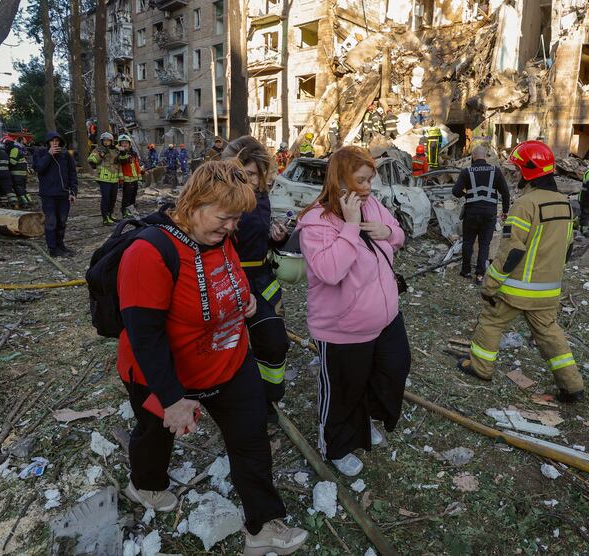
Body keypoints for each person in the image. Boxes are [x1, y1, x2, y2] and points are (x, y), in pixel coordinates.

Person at [117, 160, 308, 555]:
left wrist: (246, 301)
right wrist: (171, 399)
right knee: (155, 438)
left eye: (237, 219)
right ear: (194, 204)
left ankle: (263, 527)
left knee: (251, 439)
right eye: (225, 217)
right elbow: (144, 337)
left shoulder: (221, 238)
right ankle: (146, 487)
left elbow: (226, 281)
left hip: (228, 362)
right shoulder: (149, 252)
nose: (232, 227)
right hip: (163, 372)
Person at [297, 146, 411, 477]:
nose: (367, 187)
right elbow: (331, 271)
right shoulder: (315, 221)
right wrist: (349, 226)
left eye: (369, 180)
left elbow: (399, 234)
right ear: (341, 179)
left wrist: (389, 232)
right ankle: (336, 445)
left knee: (394, 368)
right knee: (344, 389)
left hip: (386, 317)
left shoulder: (372, 205)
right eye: (360, 180)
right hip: (343, 328)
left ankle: (367, 418)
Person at [465, 140, 584, 402]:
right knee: (550, 335)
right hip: (548, 291)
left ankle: (480, 368)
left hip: (516, 290)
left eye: (518, 169)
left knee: (491, 322)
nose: (516, 174)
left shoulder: (525, 204)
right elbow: (567, 248)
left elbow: (512, 251)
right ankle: (572, 385)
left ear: (529, 172)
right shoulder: (564, 205)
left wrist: (490, 284)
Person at [223, 136, 290, 424]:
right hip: (228, 282)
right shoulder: (219, 199)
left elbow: (257, 238)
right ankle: (236, 402)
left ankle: (269, 399)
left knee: (275, 343)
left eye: (252, 174)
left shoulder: (262, 198)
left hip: (262, 280)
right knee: (230, 348)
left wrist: (277, 238)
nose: (247, 180)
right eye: (242, 174)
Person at [452, 145, 510, 281]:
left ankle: (466, 271)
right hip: (489, 214)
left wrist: (467, 194)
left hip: (471, 212)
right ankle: (479, 274)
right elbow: (505, 193)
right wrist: (506, 211)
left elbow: (455, 191)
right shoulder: (495, 171)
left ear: (473, 156)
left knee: (468, 242)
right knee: (484, 244)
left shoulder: (467, 171)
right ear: (485, 156)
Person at [33, 131, 78, 257]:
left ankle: (61, 245)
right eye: (52, 141)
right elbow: (38, 168)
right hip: (48, 194)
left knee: (62, 221)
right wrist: (49, 155)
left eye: (57, 141)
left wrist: (73, 191)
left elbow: (72, 174)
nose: (55, 143)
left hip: (64, 193)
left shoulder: (65, 155)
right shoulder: (40, 153)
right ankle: (52, 248)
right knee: (51, 222)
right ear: (48, 142)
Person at [88, 131, 124, 225]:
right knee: (106, 198)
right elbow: (91, 160)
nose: (106, 142)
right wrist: (100, 155)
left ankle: (110, 215)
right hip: (103, 178)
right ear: (102, 141)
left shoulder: (115, 151)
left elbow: (119, 165)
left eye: (108, 140)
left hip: (114, 179)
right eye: (104, 140)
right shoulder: (98, 149)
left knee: (113, 198)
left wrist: (121, 178)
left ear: (112, 141)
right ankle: (105, 218)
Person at [2, 134, 32, 208]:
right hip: (20, 173)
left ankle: (25, 203)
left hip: (17, 173)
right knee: (22, 188)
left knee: (19, 188)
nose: (4, 146)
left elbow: (13, 162)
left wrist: (4, 160)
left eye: (5, 145)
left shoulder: (14, 149)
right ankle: (28, 201)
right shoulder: (15, 149)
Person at [118, 134, 142, 219]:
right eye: (122, 143)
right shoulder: (120, 154)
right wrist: (122, 151)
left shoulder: (133, 154)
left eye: (126, 143)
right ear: (119, 144)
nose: (124, 144)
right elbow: (123, 161)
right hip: (126, 180)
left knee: (133, 196)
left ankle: (131, 210)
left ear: (129, 144)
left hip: (134, 179)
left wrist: (139, 177)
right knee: (126, 197)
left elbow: (136, 165)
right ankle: (124, 211)